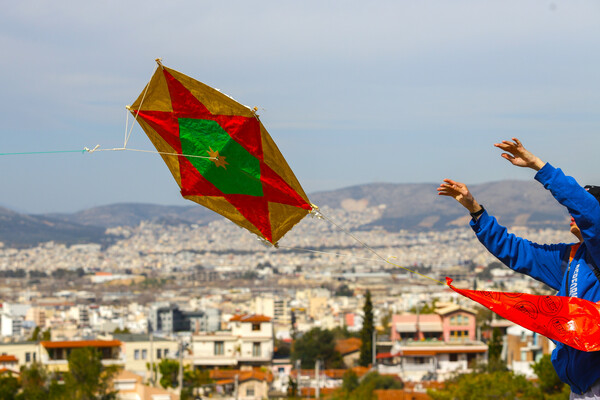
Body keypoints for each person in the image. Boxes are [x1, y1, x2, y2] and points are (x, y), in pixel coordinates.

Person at [437, 137, 600, 398]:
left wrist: (539, 166)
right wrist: (476, 211)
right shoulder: (570, 258)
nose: (573, 214)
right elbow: (516, 252)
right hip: (579, 386)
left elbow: (588, 211)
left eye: (579, 210)